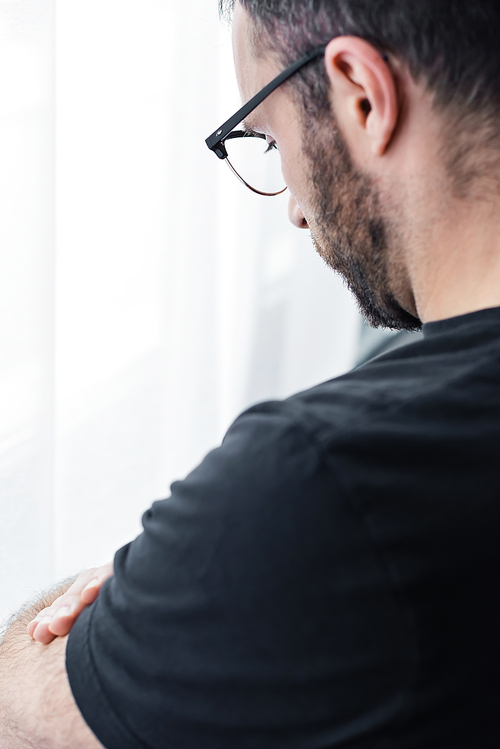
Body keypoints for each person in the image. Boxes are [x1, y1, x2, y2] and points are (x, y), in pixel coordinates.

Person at [2, 0, 500, 746]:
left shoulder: (326, 479)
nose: (296, 212)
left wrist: (195, 568)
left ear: (362, 94)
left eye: (267, 140)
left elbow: (18, 711)